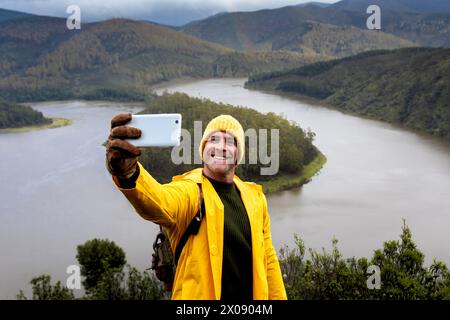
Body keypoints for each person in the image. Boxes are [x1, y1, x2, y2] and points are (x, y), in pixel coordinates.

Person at [106, 113, 287, 300]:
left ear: (238, 155)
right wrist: (129, 173)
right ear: (204, 149)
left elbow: (268, 260)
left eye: (230, 141)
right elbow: (160, 202)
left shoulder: (255, 198)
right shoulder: (191, 191)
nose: (221, 147)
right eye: (213, 139)